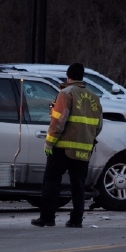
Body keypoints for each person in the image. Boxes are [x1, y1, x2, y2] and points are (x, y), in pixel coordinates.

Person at [32, 63, 103, 228]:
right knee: (78, 185)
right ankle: (76, 220)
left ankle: (47, 218)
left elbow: (59, 122)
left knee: (51, 180)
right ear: (82, 77)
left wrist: (49, 143)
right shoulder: (94, 97)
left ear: (68, 77)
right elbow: (99, 126)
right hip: (84, 149)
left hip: (62, 148)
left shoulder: (66, 94)